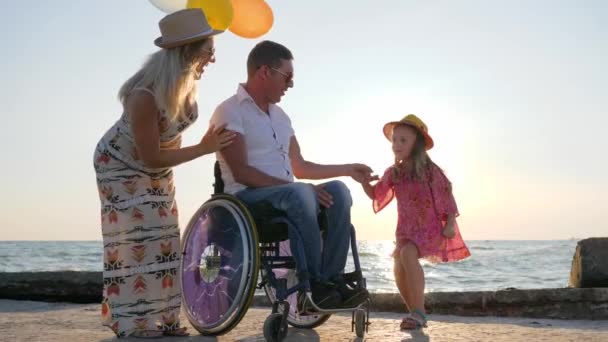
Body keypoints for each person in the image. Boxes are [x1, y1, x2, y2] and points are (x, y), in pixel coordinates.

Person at [93, 9, 234, 338]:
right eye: (208, 52)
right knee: (137, 237)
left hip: (158, 165)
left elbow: (163, 148)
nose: (211, 60)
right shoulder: (143, 95)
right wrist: (203, 147)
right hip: (119, 165)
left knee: (167, 236)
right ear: (188, 51)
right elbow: (151, 155)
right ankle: (134, 323)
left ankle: (165, 320)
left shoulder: (182, 85)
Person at [210, 40, 371, 309]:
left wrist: (347, 169)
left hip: (290, 197)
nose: (291, 84)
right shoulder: (229, 111)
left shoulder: (282, 117)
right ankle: (315, 284)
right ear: (264, 72)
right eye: (288, 76)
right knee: (299, 191)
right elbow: (241, 172)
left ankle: (330, 280)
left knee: (339, 191)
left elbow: (300, 167)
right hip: (246, 201)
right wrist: (301, 189)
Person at [360, 114, 470, 329]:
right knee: (398, 266)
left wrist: (449, 223)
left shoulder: (430, 171)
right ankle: (415, 312)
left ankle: (419, 313)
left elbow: (446, 192)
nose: (396, 144)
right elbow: (376, 194)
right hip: (405, 229)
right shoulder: (395, 172)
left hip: (429, 227)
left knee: (408, 254)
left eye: (403, 140)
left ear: (417, 144)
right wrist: (364, 183)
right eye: (394, 139)